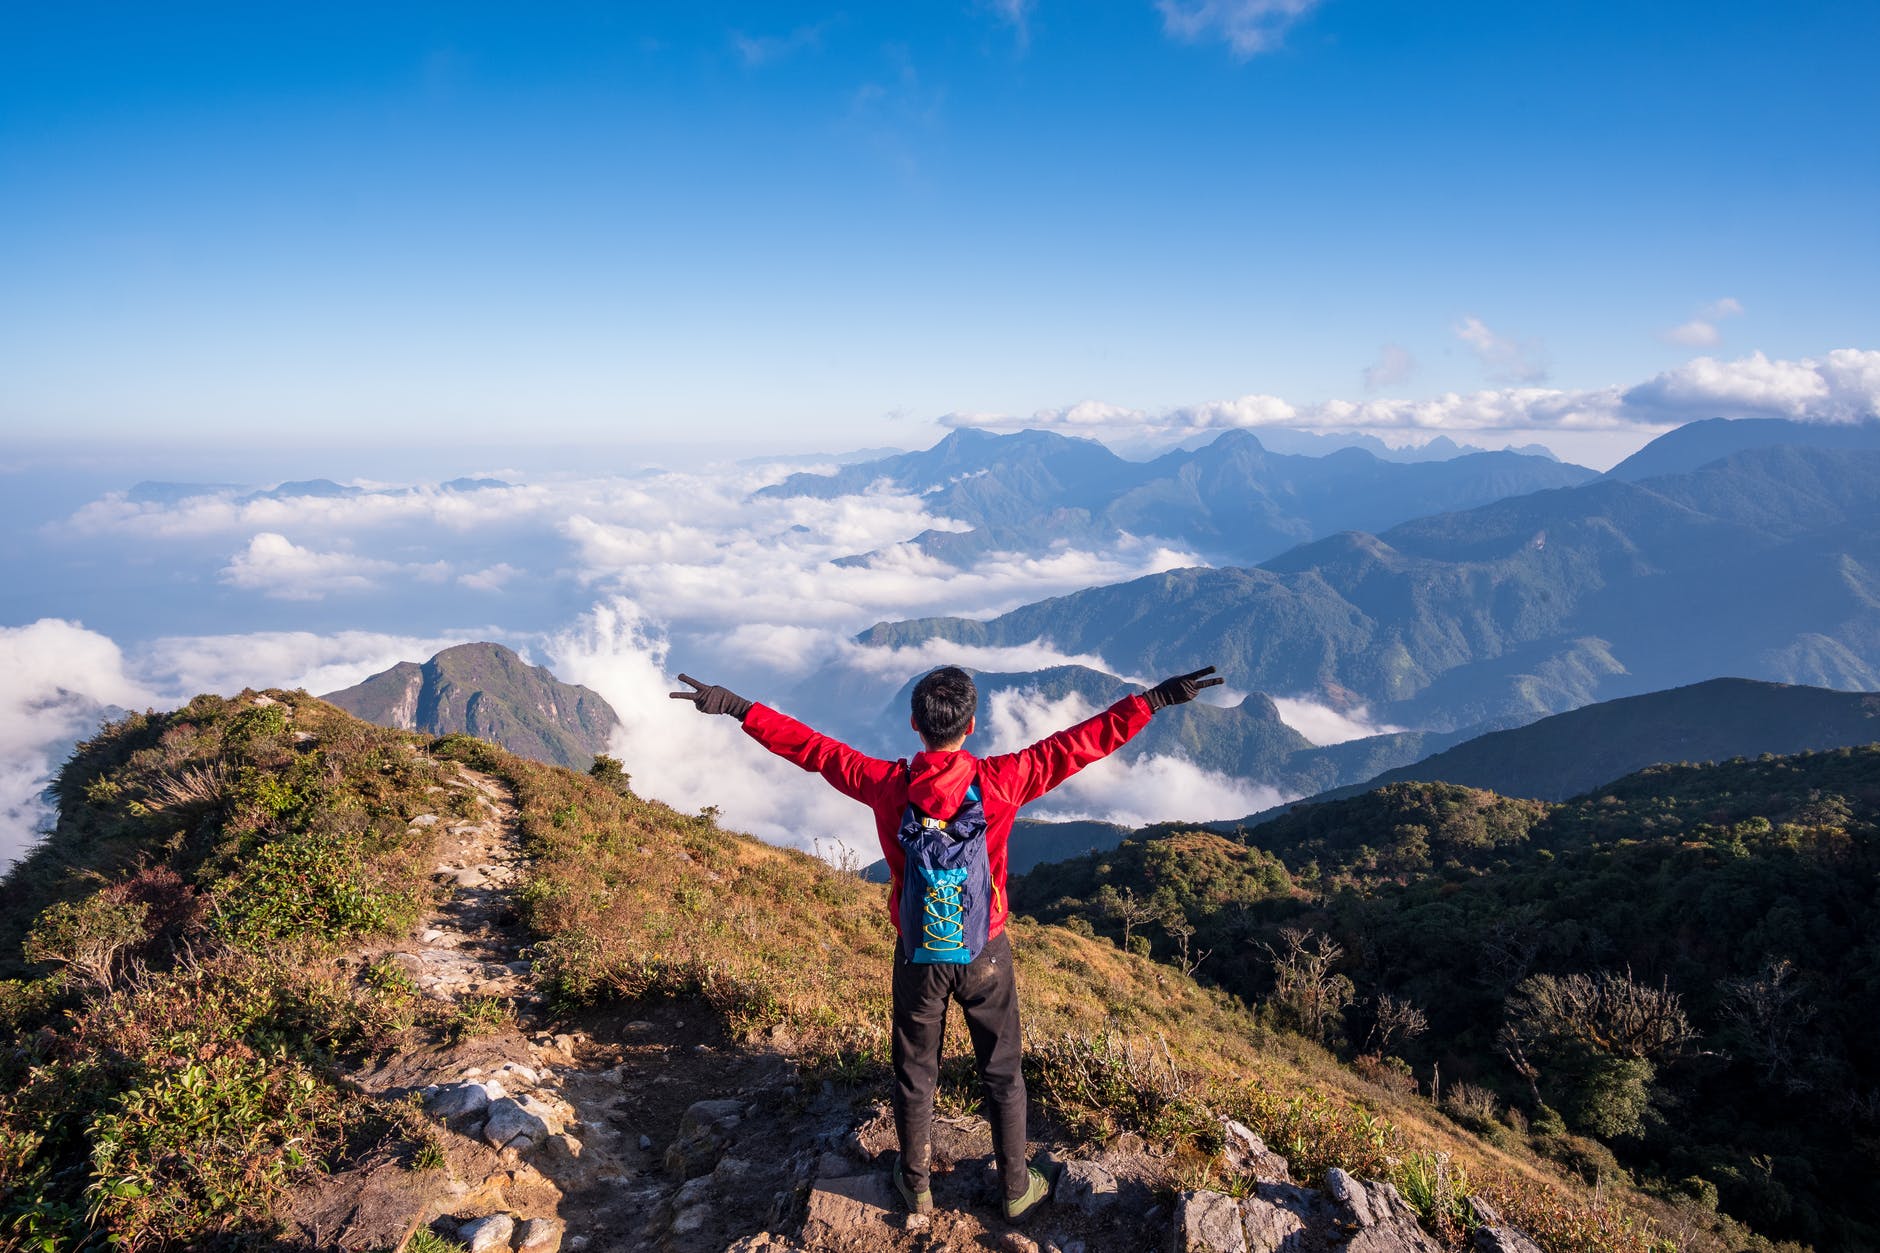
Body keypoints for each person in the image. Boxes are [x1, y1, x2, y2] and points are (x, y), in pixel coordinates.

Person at [668, 663, 1222, 1221]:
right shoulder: (1003, 779)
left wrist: (738, 707)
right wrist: (1152, 700)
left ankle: (916, 1185)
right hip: (986, 951)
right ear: (973, 723)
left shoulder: (888, 785)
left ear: (914, 724)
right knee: (1002, 1072)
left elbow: (814, 750)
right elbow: (1077, 745)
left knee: (915, 1071)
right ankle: (1015, 1187)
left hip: (918, 954)